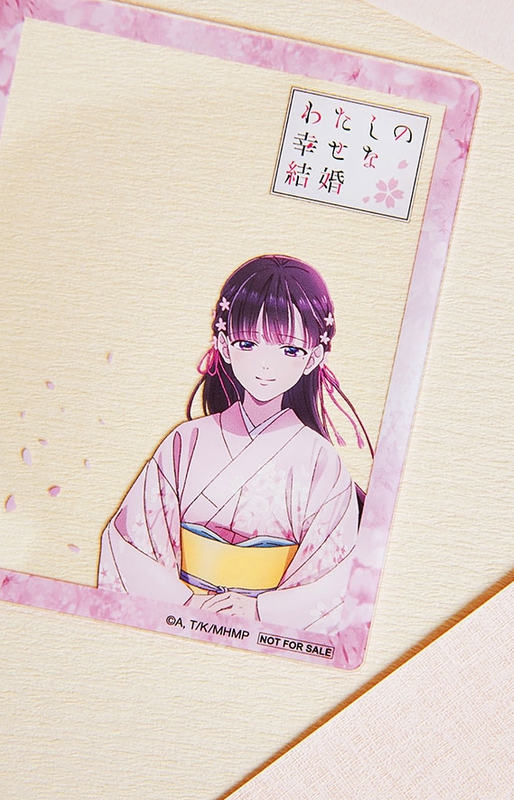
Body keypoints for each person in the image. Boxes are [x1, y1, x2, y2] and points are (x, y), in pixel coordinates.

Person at [97, 255, 371, 634]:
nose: (265, 365)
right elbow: (130, 544)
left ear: (313, 358)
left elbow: (336, 575)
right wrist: (187, 602)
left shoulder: (320, 460)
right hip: (183, 614)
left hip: (264, 627)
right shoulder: (186, 442)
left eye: (289, 350)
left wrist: (260, 610)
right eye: (247, 344)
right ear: (224, 346)